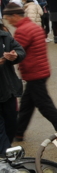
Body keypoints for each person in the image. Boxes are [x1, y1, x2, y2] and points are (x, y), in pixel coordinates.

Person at [4, 3, 57, 142]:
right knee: (26, 104)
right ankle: (18, 132)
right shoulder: (32, 26)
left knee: (44, 105)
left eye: (8, 18)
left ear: (16, 16)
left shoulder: (23, 30)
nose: (8, 21)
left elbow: (17, 51)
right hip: (40, 70)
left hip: (34, 72)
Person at [0, 22, 24, 152]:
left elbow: (20, 50)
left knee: (12, 124)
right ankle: (5, 157)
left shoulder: (4, 36)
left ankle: (6, 153)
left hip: (8, 90)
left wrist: (15, 55)